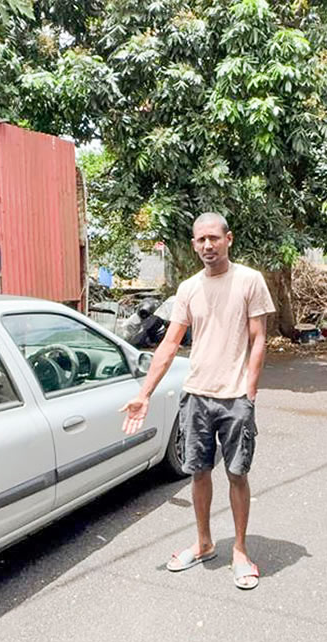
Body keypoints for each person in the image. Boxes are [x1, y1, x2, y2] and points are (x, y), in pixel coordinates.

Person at [120, 212, 275, 590]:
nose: (208, 245)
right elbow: (170, 343)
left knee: (237, 473)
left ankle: (240, 550)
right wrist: (144, 394)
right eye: (201, 240)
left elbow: (258, 338)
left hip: (235, 397)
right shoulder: (189, 288)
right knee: (199, 471)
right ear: (193, 245)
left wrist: (250, 390)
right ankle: (204, 543)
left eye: (214, 238)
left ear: (228, 239)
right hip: (197, 397)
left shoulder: (249, 280)